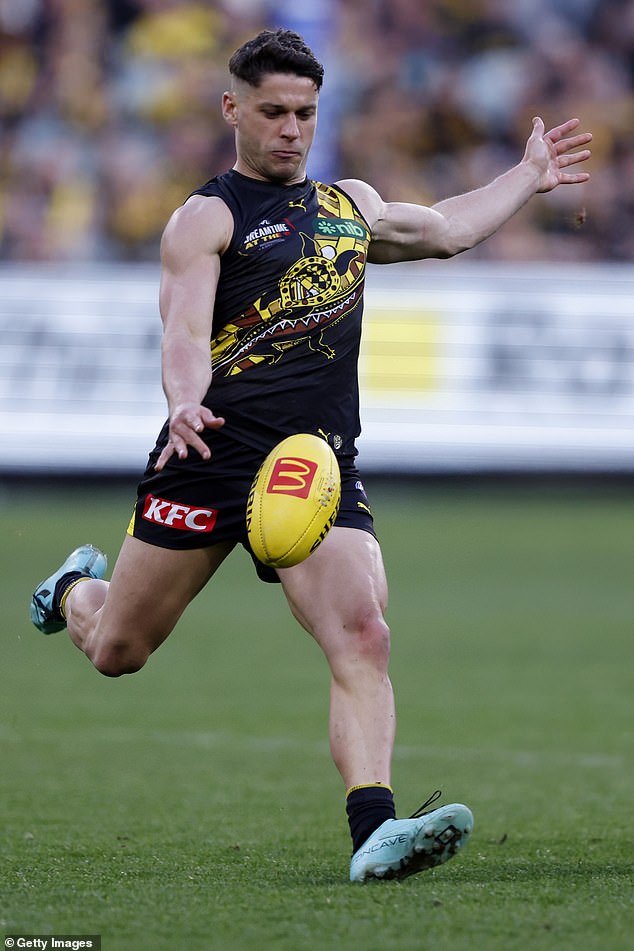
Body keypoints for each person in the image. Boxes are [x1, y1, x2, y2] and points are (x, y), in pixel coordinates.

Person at [30, 28, 592, 883]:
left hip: (311, 465)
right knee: (117, 648)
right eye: (273, 112)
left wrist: (528, 175)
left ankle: (375, 829)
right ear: (233, 109)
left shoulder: (348, 208)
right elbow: (182, 330)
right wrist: (183, 401)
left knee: (363, 634)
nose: (292, 129)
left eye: (306, 113)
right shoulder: (205, 217)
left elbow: (442, 230)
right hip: (209, 454)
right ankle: (73, 586)